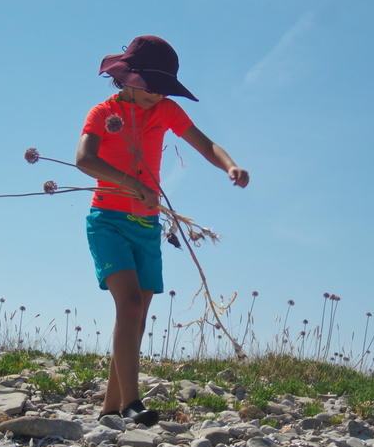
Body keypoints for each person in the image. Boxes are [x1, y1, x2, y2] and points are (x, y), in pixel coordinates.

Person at [75, 35, 249, 426]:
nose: (158, 96)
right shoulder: (103, 113)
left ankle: (110, 409)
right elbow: (84, 159)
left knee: (136, 316)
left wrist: (230, 166)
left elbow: (206, 145)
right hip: (108, 220)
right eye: (152, 88)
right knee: (130, 305)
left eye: (163, 90)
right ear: (128, 78)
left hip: (147, 226)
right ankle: (134, 404)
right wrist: (130, 183)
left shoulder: (166, 111)